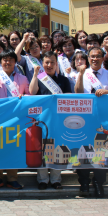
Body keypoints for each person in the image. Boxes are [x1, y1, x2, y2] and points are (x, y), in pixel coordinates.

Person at [74, 47, 108, 198]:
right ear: (88, 58)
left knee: (101, 151)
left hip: (103, 120)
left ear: (102, 58)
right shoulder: (83, 73)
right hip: (84, 119)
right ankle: (84, 183)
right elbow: (77, 92)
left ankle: (99, 182)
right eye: (92, 57)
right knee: (83, 150)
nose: (95, 59)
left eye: (98, 56)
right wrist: (80, 75)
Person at [0, 51, 29, 190]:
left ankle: (12, 178)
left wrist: (23, 96)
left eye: (10, 60)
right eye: (4, 60)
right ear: (0, 61)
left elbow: (29, 96)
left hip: (16, 118)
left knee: (13, 148)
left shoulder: (22, 78)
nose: (7, 62)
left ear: (15, 62)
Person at [30, 51, 72, 190]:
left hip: (59, 120)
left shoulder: (64, 80)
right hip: (42, 120)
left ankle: (55, 180)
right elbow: (32, 92)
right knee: (42, 149)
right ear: (42, 64)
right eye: (46, 62)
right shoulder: (39, 78)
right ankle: (42, 180)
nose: (49, 65)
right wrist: (35, 75)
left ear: (56, 63)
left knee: (57, 149)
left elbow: (68, 100)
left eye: (52, 62)